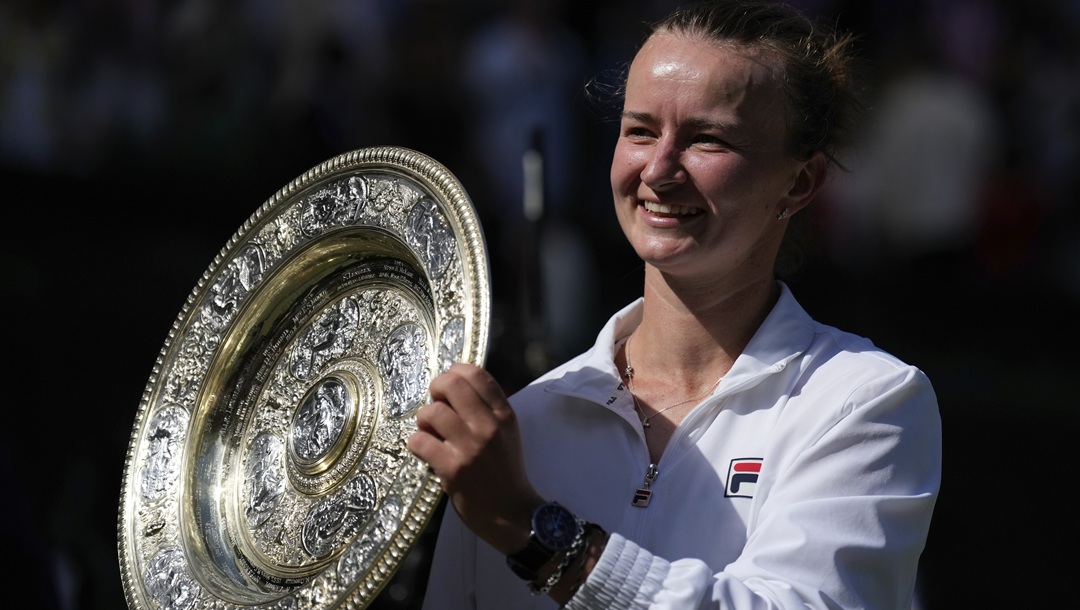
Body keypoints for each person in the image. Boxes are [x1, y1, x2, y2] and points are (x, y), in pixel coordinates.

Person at [407, 1, 942, 608]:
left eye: (707, 140)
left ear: (799, 183)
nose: (658, 170)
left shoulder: (864, 401)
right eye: (639, 131)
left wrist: (530, 528)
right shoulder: (521, 425)